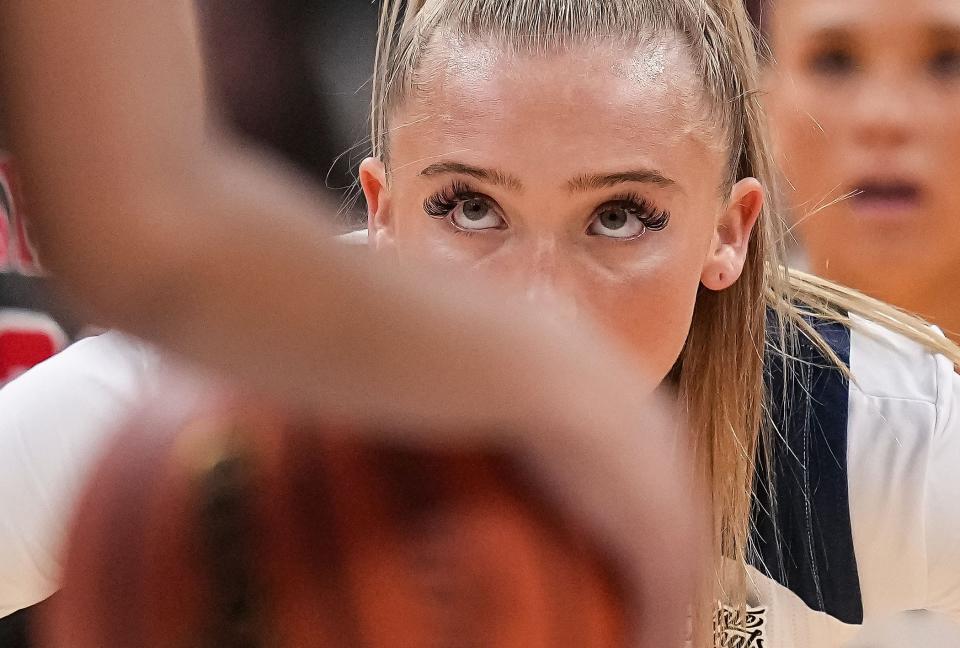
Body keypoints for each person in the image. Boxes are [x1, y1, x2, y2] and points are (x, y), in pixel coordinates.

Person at [2, 1, 960, 647]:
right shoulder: (193, 409)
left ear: (730, 230)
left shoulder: (865, 435)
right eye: (469, 207)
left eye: (620, 215)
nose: (538, 311)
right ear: (379, 212)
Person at [749, 0, 960, 341]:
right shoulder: (666, 384)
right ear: (766, 106)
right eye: (835, 62)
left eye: (949, 62)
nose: (885, 117)